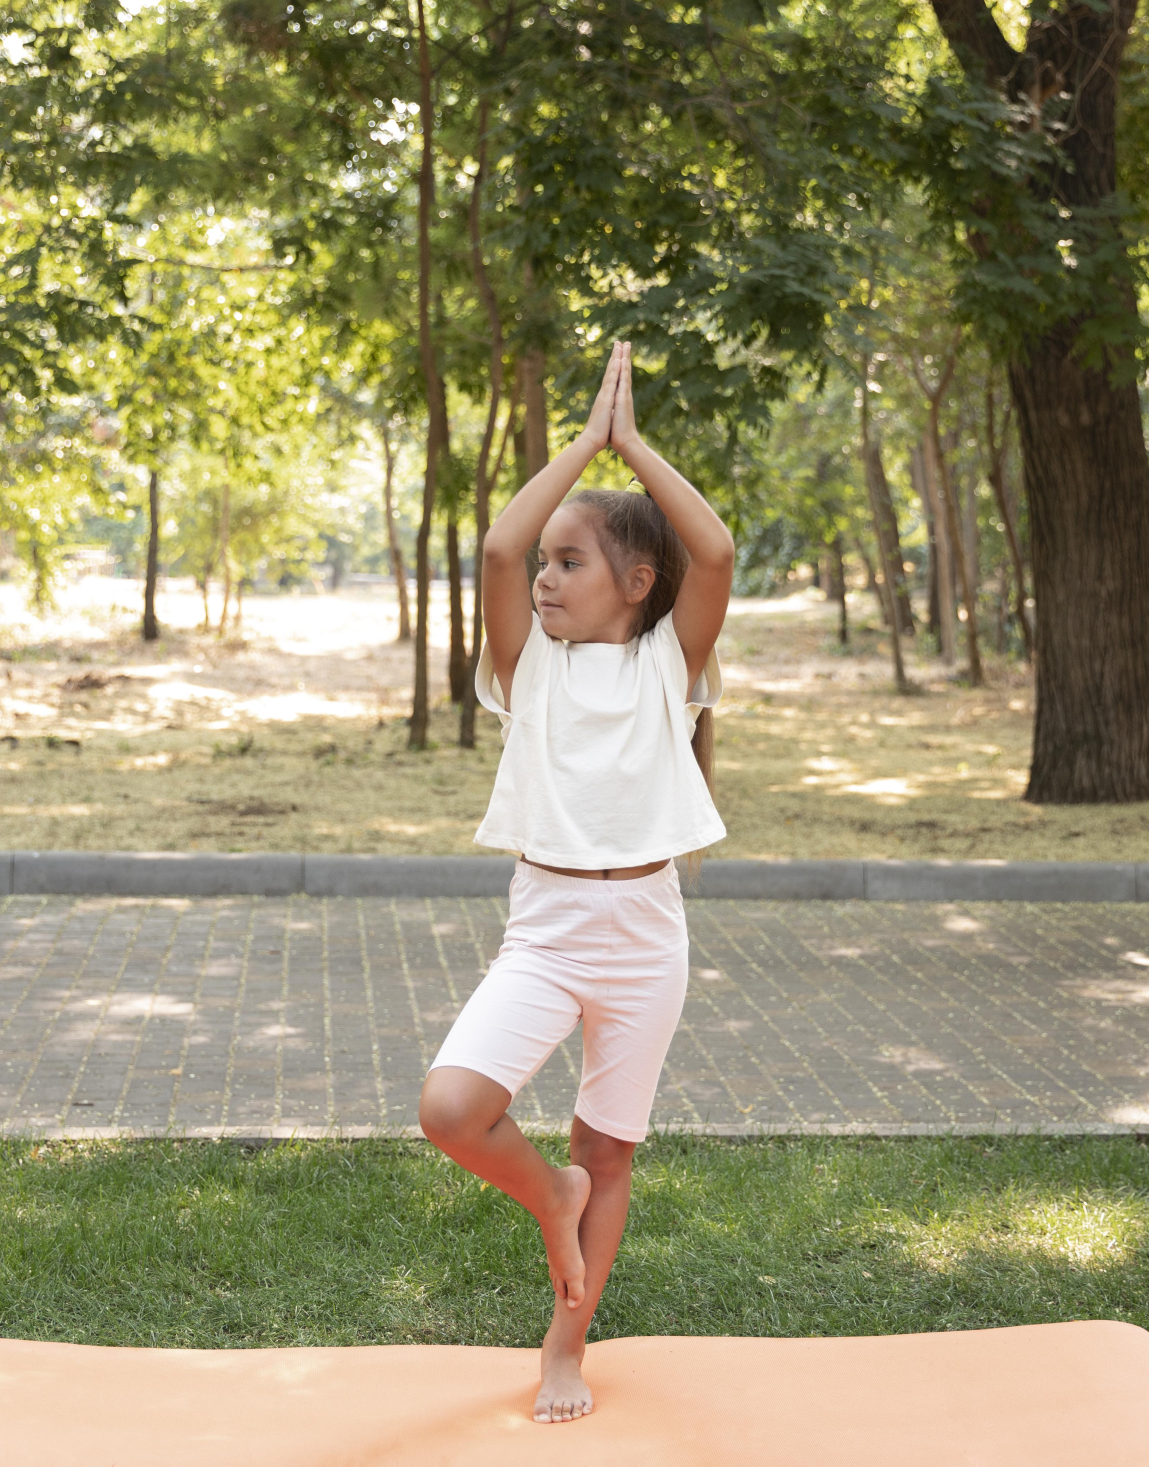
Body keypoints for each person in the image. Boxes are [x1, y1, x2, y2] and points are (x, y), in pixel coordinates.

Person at [417, 341, 733, 1425]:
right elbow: (501, 544)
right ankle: (550, 1196)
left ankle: (567, 1343)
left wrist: (636, 451)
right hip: (546, 930)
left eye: (572, 564)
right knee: (453, 1109)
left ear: (635, 585)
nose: (545, 578)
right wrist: (585, 444)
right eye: (548, 566)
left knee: (609, 1149)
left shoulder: (665, 666)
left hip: (645, 933)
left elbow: (717, 550)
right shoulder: (528, 669)